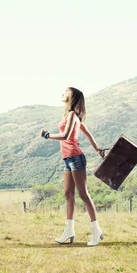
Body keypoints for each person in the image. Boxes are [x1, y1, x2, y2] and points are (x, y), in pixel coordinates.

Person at [40, 87, 106, 246]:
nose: (63, 93)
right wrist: (97, 148)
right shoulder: (72, 116)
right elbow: (88, 133)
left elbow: (65, 135)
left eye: (66, 92)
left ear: (73, 97)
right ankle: (69, 231)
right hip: (67, 159)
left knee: (83, 194)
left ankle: (96, 231)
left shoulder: (72, 115)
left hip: (76, 158)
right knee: (68, 194)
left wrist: (47, 136)